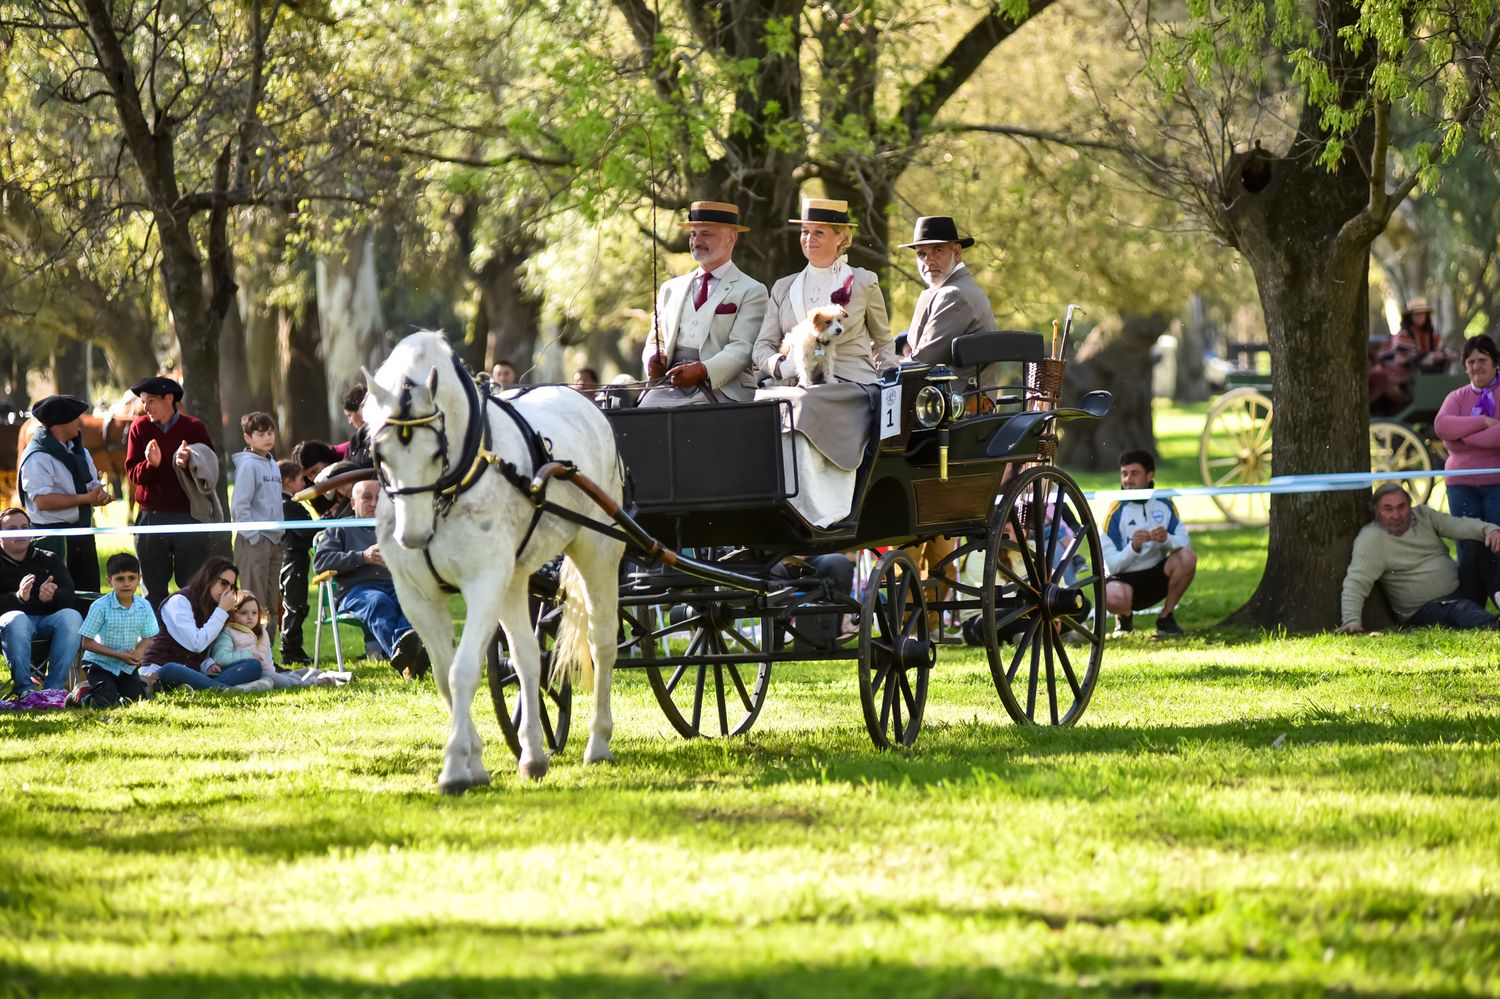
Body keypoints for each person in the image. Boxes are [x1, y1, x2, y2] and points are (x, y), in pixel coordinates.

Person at [638, 201, 768, 407]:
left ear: (731, 238)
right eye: (693, 234)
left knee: (696, 417)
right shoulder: (670, 288)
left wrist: (702, 370)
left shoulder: (752, 290)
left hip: (723, 388)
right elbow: (656, 340)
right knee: (644, 414)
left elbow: (743, 347)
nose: (696, 241)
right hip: (670, 384)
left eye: (706, 234)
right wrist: (655, 359)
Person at [754, 197, 894, 386]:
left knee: (806, 401)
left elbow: (883, 342)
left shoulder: (864, 281)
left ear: (840, 237)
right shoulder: (783, 287)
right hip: (795, 383)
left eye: (818, 232)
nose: (809, 239)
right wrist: (780, 366)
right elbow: (763, 345)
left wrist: (890, 387)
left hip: (849, 384)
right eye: (805, 231)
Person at [1339, 483, 1500, 632]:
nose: (1396, 515)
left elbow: (1458, 525)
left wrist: (1490, 530)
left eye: (1401, 507)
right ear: (1376, 511)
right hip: (1424, 610)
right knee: (1461, 610)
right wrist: (1351, 621)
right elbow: (1356, 581)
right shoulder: (1371, 538)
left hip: (1461, 591)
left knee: (1479, 543)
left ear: (1410, 506)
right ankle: (1493, 624)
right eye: (1388, 509)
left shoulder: (1423, 515)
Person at [313, 480, 429, 677]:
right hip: (356, 590)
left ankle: (408, 656)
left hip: (396, 585)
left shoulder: (395, 529)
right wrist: (362, 557)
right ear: (353, 503)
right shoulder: (340, 527)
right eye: (367, 498)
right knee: (377, 601)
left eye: (379, 498)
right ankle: (408, 659)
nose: (374, 503)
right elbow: (321, 563)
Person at [124, 375, 216, 606]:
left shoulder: (194, 428)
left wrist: (190, 462)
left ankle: (194, 629)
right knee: (153, 590)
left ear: (169, 399)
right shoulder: (139, 428)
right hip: (151, 518)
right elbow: (133, 473)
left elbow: (210, 470)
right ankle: (156, 630)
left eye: (151, 401)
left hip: (189, 516)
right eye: (143, 401)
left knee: (194, 588)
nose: (146, 407)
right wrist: (151, 465)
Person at [18, 394, 113, 592]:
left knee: (87, 594)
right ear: (60, 423)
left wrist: (99, 496)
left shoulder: (80, 452)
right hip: (52, 539)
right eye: (75, 417)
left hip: (82, 534)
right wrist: (86, 498)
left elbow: (92, 487)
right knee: (55, 597)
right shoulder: (37, 457)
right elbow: (42, 501)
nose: (80, 422)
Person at [898, 215, 998, 395]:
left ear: (957, 252)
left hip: (954, 401)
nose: (928, 261)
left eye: (937, 250)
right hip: (948, 397)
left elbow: (922, 362)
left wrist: (881, 371)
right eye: (921, 254)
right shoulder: (953, 289)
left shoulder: (953, 294)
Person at [1102, 449, 1196, 637]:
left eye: (1134, 473)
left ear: (1150, 476)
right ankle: (1124, 618)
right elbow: (1110, 565)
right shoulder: (1114, 510)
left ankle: (1166, 618)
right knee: (1112, 595)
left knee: (1187, 557)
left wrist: (1167, 539)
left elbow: (1184, 542)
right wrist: (1133, 547)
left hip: (1156, 575)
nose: (1128, 480)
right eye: (1124, 474)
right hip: (1122, 579)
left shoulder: (1165, 503)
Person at [142, 556, 270, 692]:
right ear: (209, 578)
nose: (227, 590)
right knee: (172, 669)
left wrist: (208, 664)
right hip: (160, 669)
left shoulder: (213, 606)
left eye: (231, 587)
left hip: (195, 672)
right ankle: (225, 688)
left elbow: (204, 651)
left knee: (253, 665)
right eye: (224, 583)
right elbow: (196, 644)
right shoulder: (180, 601)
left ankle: (213, 686)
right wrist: (221, 611)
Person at [1434, 334, 1500, 579]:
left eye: (1482, 360)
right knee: (1467, 548)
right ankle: (1472, 600)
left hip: (1496, 483)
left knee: (1498, 544)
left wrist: (1462, 438)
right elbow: (1442, 427)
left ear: (1495, 362)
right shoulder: (1456, 397)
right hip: (1460, 485)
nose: (1476, 366)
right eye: (1471, 362)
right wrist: (1483, 422)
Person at [0, 507, 82, 694]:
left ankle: (53, 690)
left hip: (46, 622)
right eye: (12, 529)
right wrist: (18, 598)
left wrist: (53, 597)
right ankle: (25, 690)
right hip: (9, 627)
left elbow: (69, 595)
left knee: (72, 616)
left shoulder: (48, 558)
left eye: (24, 527)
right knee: (17, 618)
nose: (20, 533)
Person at [74, 552, 159, 707]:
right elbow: (86, 642)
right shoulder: (100, 606)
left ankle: (147, 684)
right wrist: (119, 655)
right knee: (106, 699)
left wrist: (139, 652)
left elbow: (148, 636)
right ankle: (82, 694)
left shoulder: (144, 606)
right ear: (109, 581)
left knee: (135, 700)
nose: (126, 584)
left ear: (139, 579)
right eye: (120, 579)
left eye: (131, 578)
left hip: (127, 666)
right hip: (99, 664)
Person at [230, 412, 284, 639]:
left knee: (271, 603)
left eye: (270, 432)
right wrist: (254, 537)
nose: (267, 438)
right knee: (253, 604)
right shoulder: (248, 466)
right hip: (254, 543)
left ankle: (267, 652)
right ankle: (251, 652)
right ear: (248, 437)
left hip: (275, 540)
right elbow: (239, 507)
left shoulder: (273, 464)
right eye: (261, 434)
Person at [278, 459, 314, 664]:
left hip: (297, 557)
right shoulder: (287, 505)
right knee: (294, 604)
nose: (304, 483)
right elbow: (304, 530)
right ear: (288, 481)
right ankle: (290, 648)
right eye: (301, 479)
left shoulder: (290, 504)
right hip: (292, 558)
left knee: (298, 603)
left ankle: (294, 646)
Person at [1387, 296, 1454, 375]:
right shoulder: (1403, 335)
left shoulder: (1433, 334)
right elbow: (1404, 358)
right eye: (1416, 314)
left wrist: (1445, 355)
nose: (1420, 317)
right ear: (1410, 316)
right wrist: (1432, 357)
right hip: (1407, 376)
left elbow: (1442, 350)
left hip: (1433, 374)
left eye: (1422, 314)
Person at [334, 384, 372, 468]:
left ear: (361, 410)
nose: (350, 422)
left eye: (350, 415)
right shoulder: (354, 443)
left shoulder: (380, 437)